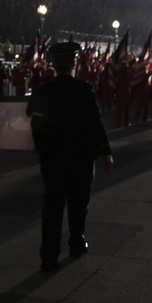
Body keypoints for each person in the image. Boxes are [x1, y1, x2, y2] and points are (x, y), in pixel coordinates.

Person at [26, 41, 113, 270]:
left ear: (53, 64)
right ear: (74, 62)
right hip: (81, 157)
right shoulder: (85, 90)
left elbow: (33, 120)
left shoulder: (43, 91)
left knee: (52, 206)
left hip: (53, 158)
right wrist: (106, 152)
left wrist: (41, 148)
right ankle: (76, 242)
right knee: (79, 203)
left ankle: (49, 256)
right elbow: (96, 124)